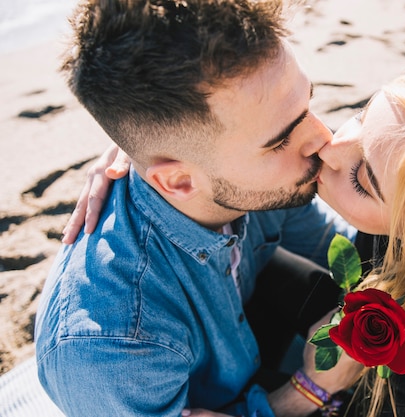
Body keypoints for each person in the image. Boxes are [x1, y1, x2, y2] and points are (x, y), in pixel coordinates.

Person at [72, 61, 405, 417]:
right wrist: (151, 148)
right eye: (362, 115)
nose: (328, 147)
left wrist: (303, 395)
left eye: (362, 179)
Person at [34, 1, 363, 417]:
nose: (323, 138)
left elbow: (344, 249)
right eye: (280, 140)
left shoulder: (245, 179)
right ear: (178, 182)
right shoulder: (111, 348)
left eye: (308, 106)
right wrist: (309, 390)